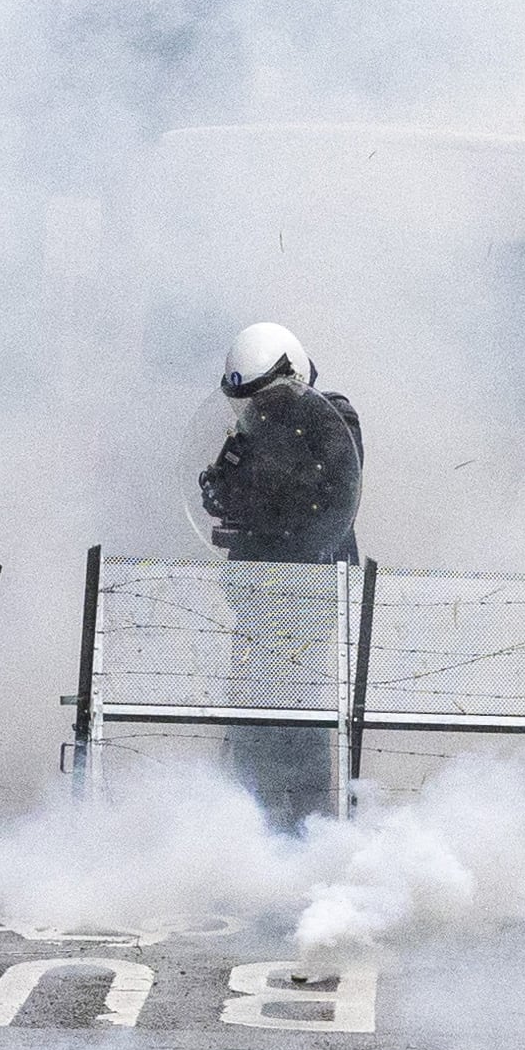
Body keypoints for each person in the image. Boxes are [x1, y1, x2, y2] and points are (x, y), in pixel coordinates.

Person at [196, 323, 365, 827]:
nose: (253, 410)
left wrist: (257, 480)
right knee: (252, 705)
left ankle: (308, 821)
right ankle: (249, 821)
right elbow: (235, 495)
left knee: (303, 709)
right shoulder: (253, 428)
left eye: (261, 398)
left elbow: (324, 497)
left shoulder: (334, 418)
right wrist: (219, 484)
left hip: (309, 587)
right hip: (256, 588)